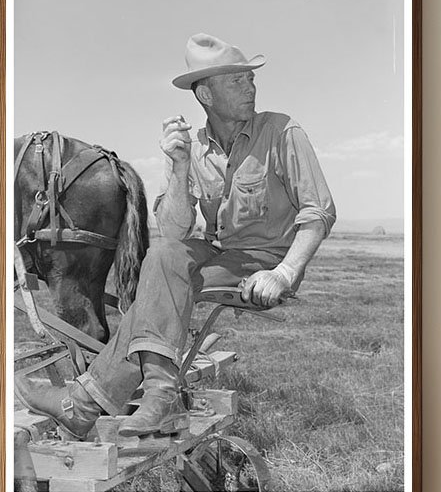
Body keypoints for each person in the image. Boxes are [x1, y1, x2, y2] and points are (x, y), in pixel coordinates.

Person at [17, 32, 337, 440]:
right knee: (165, 257)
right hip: (219, 253)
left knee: (160, 290)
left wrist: (285, 273)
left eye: (249, 79)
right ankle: (151, 395)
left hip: (265, 261)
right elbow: (173, 229)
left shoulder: (282, 131)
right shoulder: (194, 147)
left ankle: (89, 401)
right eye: (237, 80)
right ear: (205, 94)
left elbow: (319, 212)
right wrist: (181, 166)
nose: (250, 87)